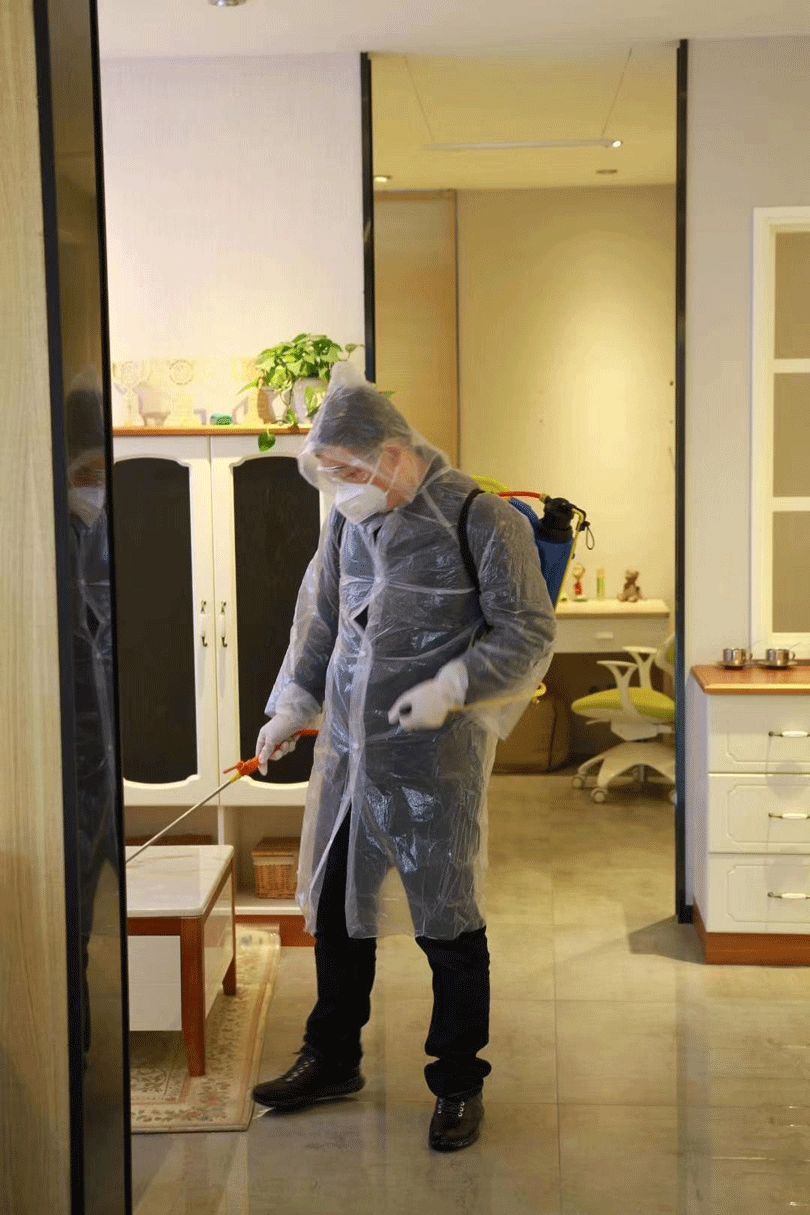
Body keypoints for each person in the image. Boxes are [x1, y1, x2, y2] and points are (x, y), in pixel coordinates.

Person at [251, 364, 556, 1151]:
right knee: (337, 915)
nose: (343, 490)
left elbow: (527, 632)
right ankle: (332, 1057)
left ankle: (457, 1080)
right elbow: (321, 620)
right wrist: (292, 706)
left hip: (434, 768)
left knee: (447, 926)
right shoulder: (347, 525)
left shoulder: (483, 521)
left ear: (392, 453)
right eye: (333, 475)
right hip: (351, 762)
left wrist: (454, 685)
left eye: (349, 472)